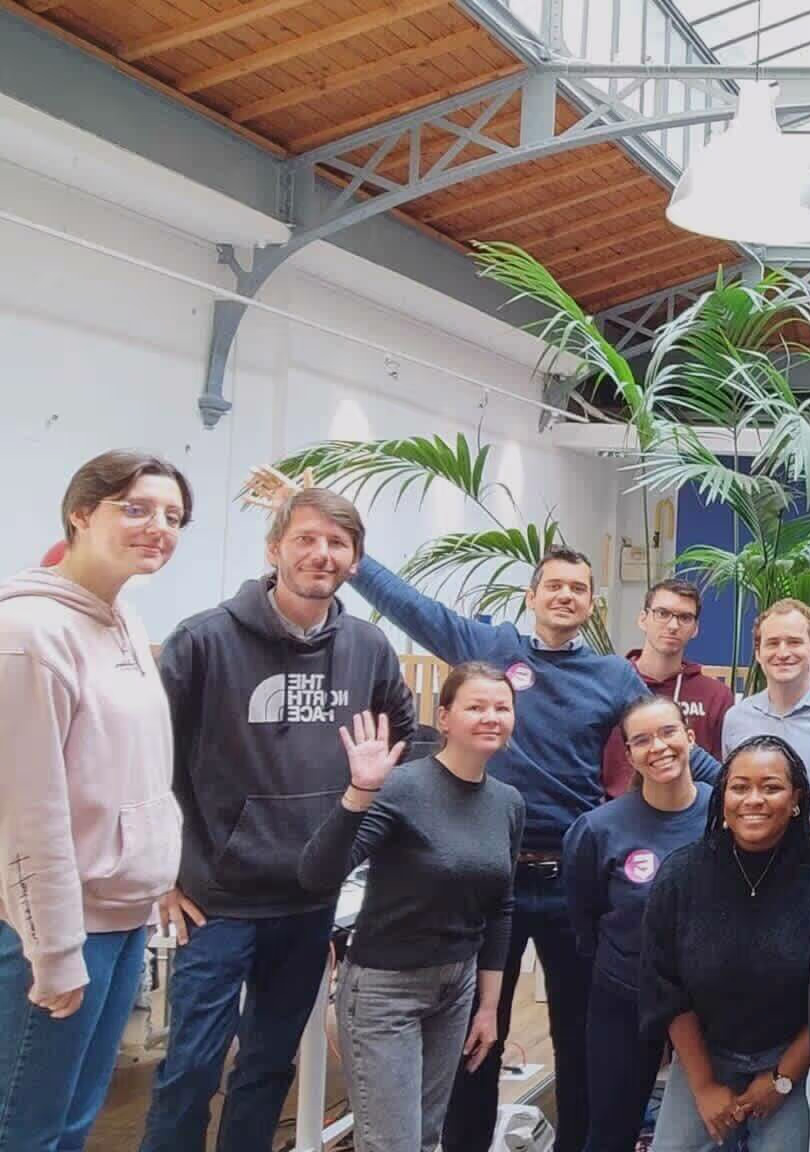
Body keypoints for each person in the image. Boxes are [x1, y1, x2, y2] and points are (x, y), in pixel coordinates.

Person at [344, 541, 649, 1152]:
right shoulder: (490, 649)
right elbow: (413, 607)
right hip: (488, 875)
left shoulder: (613, 674)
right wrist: (355, 559)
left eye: (579, 589)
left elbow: (661, 737)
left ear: (591, 605)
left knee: (579, 1036)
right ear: (532, 596)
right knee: (476, 1036)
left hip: (573, 880)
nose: (566, 595)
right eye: (554, 585)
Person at [141, 487, 417, 1152]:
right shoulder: (203, 641)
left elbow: (405, 744)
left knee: (268, 1066)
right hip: (215, 900)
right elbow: (148, 760)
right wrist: (166, 872)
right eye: (307, 539)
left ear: (354, 561)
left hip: (308, 900)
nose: (321, 554)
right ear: (275, 549)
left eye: (337, 544)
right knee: (191, 1068)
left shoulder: (369, 648)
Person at [0, 451, 189, 1152]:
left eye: (173, 516)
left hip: (121, 915)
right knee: (26, 1128)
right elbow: (30, 808)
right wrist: (52, 950)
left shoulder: (125, 622)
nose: (158, 528)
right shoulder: (28, 633)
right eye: (135, 509)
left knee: (75, 1121)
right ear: (81, 513)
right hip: (52, 926)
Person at [298, 665, 524, 1152]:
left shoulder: (508, 802)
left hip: (457, 988)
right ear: (444, 717)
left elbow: (500, 907)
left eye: (501, 708)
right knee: (391, 1144)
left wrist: (488, 1007)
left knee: (423, 1139)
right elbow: (316, 875)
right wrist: (360, 791)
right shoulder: (401, 787)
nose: (491, 716)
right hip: (386, 990)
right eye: (476, 706)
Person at [640, 736, 810, 1152]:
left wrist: (782, 1078)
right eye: (739, 787)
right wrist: (703, 1086)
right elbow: (664, 985)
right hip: (705, 1054)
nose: (753, 799)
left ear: (796, 800)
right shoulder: (682, 874)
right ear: (721, 799)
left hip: (797, 1058)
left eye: (771, 787)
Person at [567, 698, 718, 1152]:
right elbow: (584, 919)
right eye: (642, 740)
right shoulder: (597, 830)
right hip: (623, 997)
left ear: (690, 738)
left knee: (712, 1129)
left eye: (669, 733)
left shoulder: (726, 815)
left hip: (710, 1005)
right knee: (610, 1129)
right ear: (628, 755)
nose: (659, 747)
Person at [722, 599, 810, 838]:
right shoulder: (736, 719)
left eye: (794, 642)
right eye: (772, 643)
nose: (783, 652)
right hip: (752, 863)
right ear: (758, 653)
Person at [600, 580, 735, 798]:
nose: (673, 626)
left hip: (690, 820)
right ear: (643, 619)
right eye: (662, 613)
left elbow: (722, 774)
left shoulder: (716, 695)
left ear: (695, 629)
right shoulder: (609, 683)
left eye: (685, 617)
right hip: (615, 817)